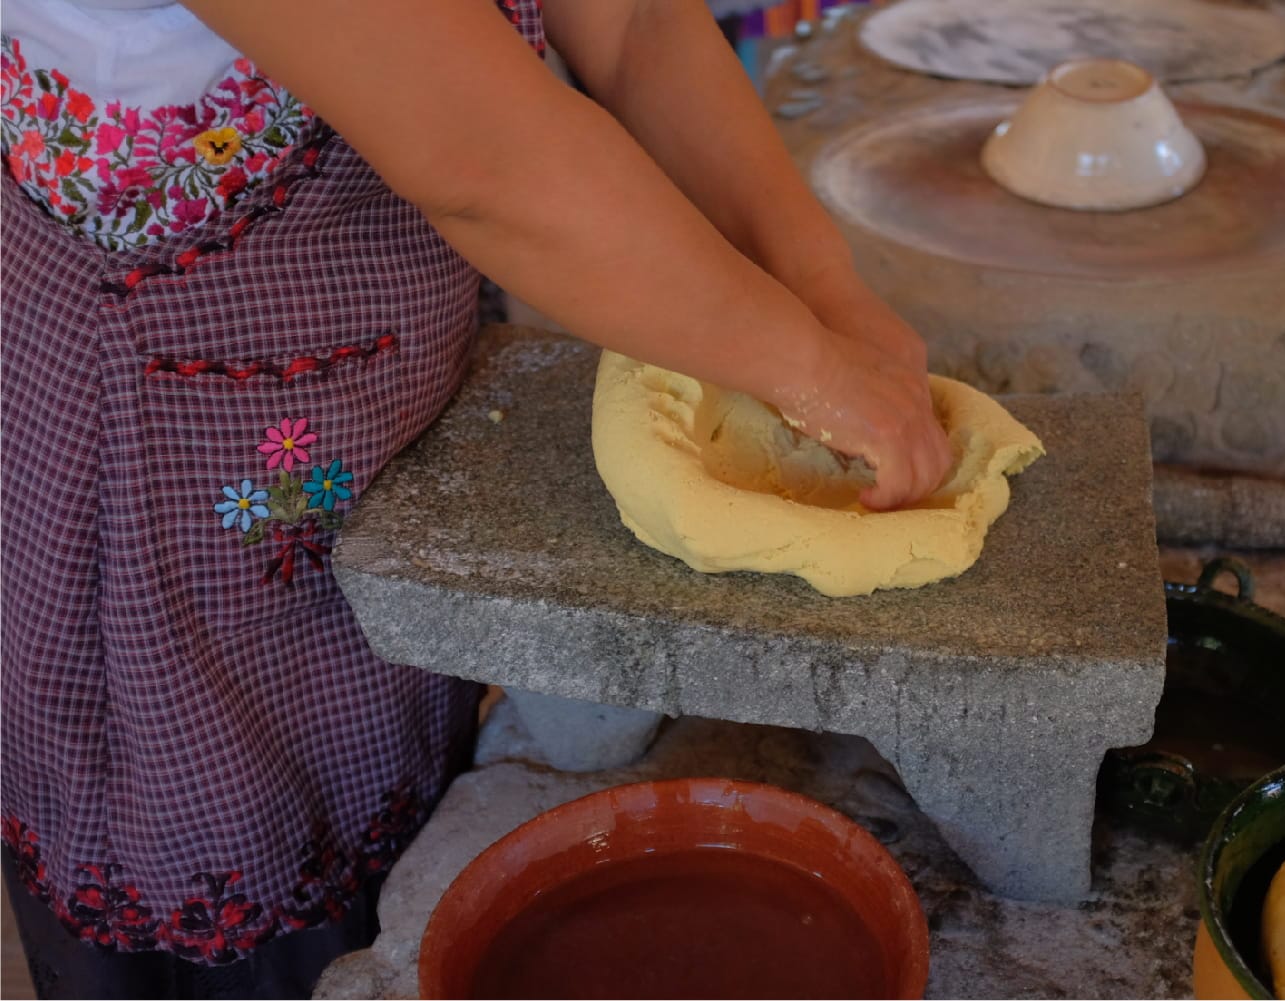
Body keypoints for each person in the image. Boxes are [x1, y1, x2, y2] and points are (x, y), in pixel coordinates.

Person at [0, 0, 952, 996]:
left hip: (358, 383)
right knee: (253, 874)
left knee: (394, 774)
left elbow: (633, 26)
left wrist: (818, 288)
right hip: (176, 440)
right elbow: (488, 163)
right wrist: (806, 369)